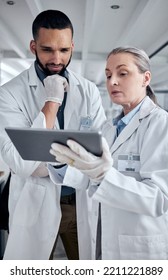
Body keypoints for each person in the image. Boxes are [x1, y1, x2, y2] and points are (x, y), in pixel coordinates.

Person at [0, 10, 106, 260]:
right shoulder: (9, 93)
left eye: (64, 50)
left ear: (72, 47)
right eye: (47, 50)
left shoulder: (88, 90)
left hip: (78, 203)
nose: (57, 59)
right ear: (33, 46)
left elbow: (100, 152)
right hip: (34, 202)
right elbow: (21, 163)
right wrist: (52, 101)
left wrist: (44, 161)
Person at [50, 46, 168, 259]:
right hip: (103, 239)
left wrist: (103, 176)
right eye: (108, 75)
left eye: (122, 73)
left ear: (145, 79)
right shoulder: (108, 128)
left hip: (139, 247)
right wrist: (63, 164)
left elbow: (159, 199)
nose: (112, 81)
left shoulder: (159, 123)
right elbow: (93, 179)